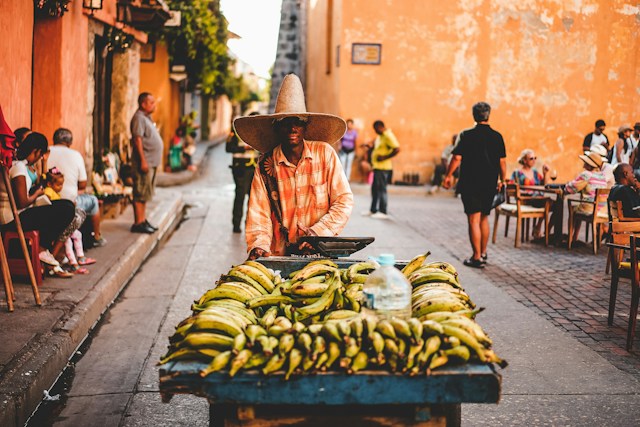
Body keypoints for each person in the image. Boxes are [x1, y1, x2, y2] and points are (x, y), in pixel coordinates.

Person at [233, 74, 353, 260]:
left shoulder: (325, 154)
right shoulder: (266, 165)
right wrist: (259, 245)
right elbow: (259, 214)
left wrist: (318, 232)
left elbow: (343, 200)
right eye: (285, 123)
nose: (292, 128)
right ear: (276, 128)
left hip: (321, 254)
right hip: (279, 255)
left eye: (297, 122)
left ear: (305, 126)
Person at [0, 132, 75, 277]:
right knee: (66, 209)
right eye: (40, 155)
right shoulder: (18, 168)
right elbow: (22, 201)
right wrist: (37, 195)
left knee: (67, 205)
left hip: (19, 214)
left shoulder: (20, 165)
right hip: (12, 219)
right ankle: (42, 248)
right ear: (36, 152)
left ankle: (43, 248)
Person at [443, 102, 506, 269]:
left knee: (473, 219)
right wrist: (503, 179)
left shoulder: (466, 135)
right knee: (484, 217)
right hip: (489, 183)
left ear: (474, 115)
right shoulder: (497, 136)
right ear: (488, 115)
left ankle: (476, 257)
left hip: (470, 182)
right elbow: (502, 161)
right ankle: (483, 253)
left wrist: (448, 176)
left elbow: (456, 158)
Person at [48, 128, 107, 247]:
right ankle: (96, 236)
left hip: (48, 199)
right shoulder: (76, 155)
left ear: (54, 140)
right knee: (94, 201)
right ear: (69, 143)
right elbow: (83, 184)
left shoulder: (46, 151)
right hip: (69, 202)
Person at [43, 168, 95, 274]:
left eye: (62, 185)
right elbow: (47, 204)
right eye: (58, 185)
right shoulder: (48, 192)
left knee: (77, 235)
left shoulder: (55, 193)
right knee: (67, 241)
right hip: (57, 222)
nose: (61, 188)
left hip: (63, 221)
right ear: (49, 184)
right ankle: (73, 263)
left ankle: (80, 257)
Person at [129, 92, 163, 234]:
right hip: (145, 162)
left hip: (150, 162)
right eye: (151, 102)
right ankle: (138, 223)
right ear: (143, 104)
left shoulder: (146, 118)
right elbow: (138, 140)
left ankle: (143, 220)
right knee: (140, 192)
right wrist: (143, 160)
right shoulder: (139, 118)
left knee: (145, 194)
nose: (154, 105)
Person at [564, 151, 608, 244]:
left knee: (573, 209)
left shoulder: (587, 174)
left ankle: (570, 239)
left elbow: (571, 187)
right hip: (602, 210)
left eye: (585, 163)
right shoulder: (602, 176)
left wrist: (566, 187)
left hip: (590, 209)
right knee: (579, 206)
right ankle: (574, 238)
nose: (583, 166)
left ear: (589, 165)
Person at [226, 113, 259, 234]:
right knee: (240, 196)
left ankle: (249, 224)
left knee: (253, 199)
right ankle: (236, 224)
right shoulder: (237, 132)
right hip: (240, 169)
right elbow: (228, 148)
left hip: (254, 169)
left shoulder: (260, 134)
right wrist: (243, 149)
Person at [362, 120, 400, 219]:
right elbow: (377, 147)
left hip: (384, 168)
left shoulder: (388, 136)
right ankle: (373, 209)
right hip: (377, 167)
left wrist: (384, 157)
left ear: (380, 127)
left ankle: (383, 211)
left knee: (381, 189)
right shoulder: (380, 136)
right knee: (374, 189)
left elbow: (397, 149)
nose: (375, 131)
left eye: (376, 129)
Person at [511, 149, 549, 239]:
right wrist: (522, 192)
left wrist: (545, 173)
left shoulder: (535, 172)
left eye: (535, 158)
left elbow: (544, 185)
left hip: (538, 198)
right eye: (531, 158)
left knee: (555, 204)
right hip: (526, 199)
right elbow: (511, 187)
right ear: (524, 160)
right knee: (549, 203)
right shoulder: (517, 173)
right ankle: (539, 229)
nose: (534, 160)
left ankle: (542, 230)